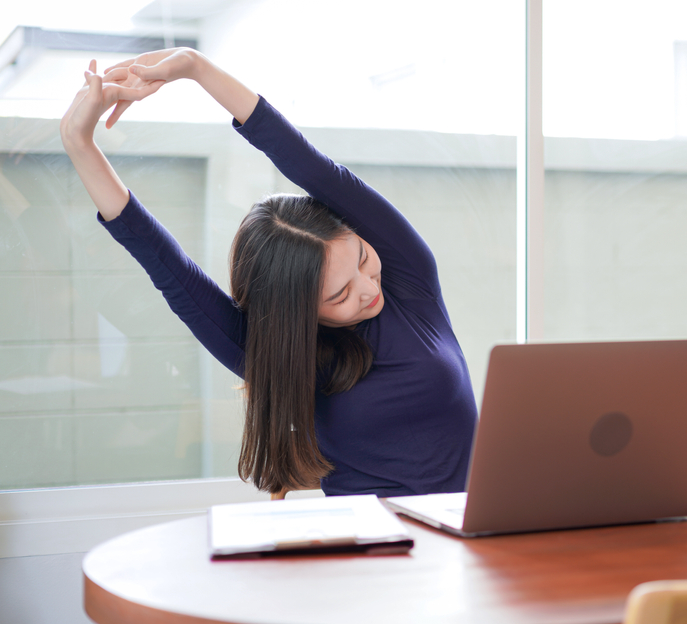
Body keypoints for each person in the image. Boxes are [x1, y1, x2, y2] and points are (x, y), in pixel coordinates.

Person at [60, 49, 478, 498]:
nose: (367, 288)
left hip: (475, 531)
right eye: (338, 296)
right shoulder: (279, 350)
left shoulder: (406, 277)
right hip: (372, 545)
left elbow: (312, 165)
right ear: (297, 311)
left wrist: (195, 67)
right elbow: (165, 264)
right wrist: (79, 144)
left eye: (361, 259)